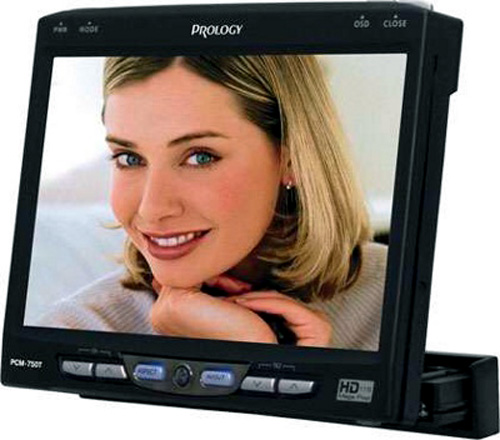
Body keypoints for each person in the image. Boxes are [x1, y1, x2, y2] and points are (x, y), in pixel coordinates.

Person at [37, 55, 387, 351]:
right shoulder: (73, 332)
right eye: (129, 158)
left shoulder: (399, 302)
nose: (151, 209)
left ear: (292, 160)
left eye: (200, 157)